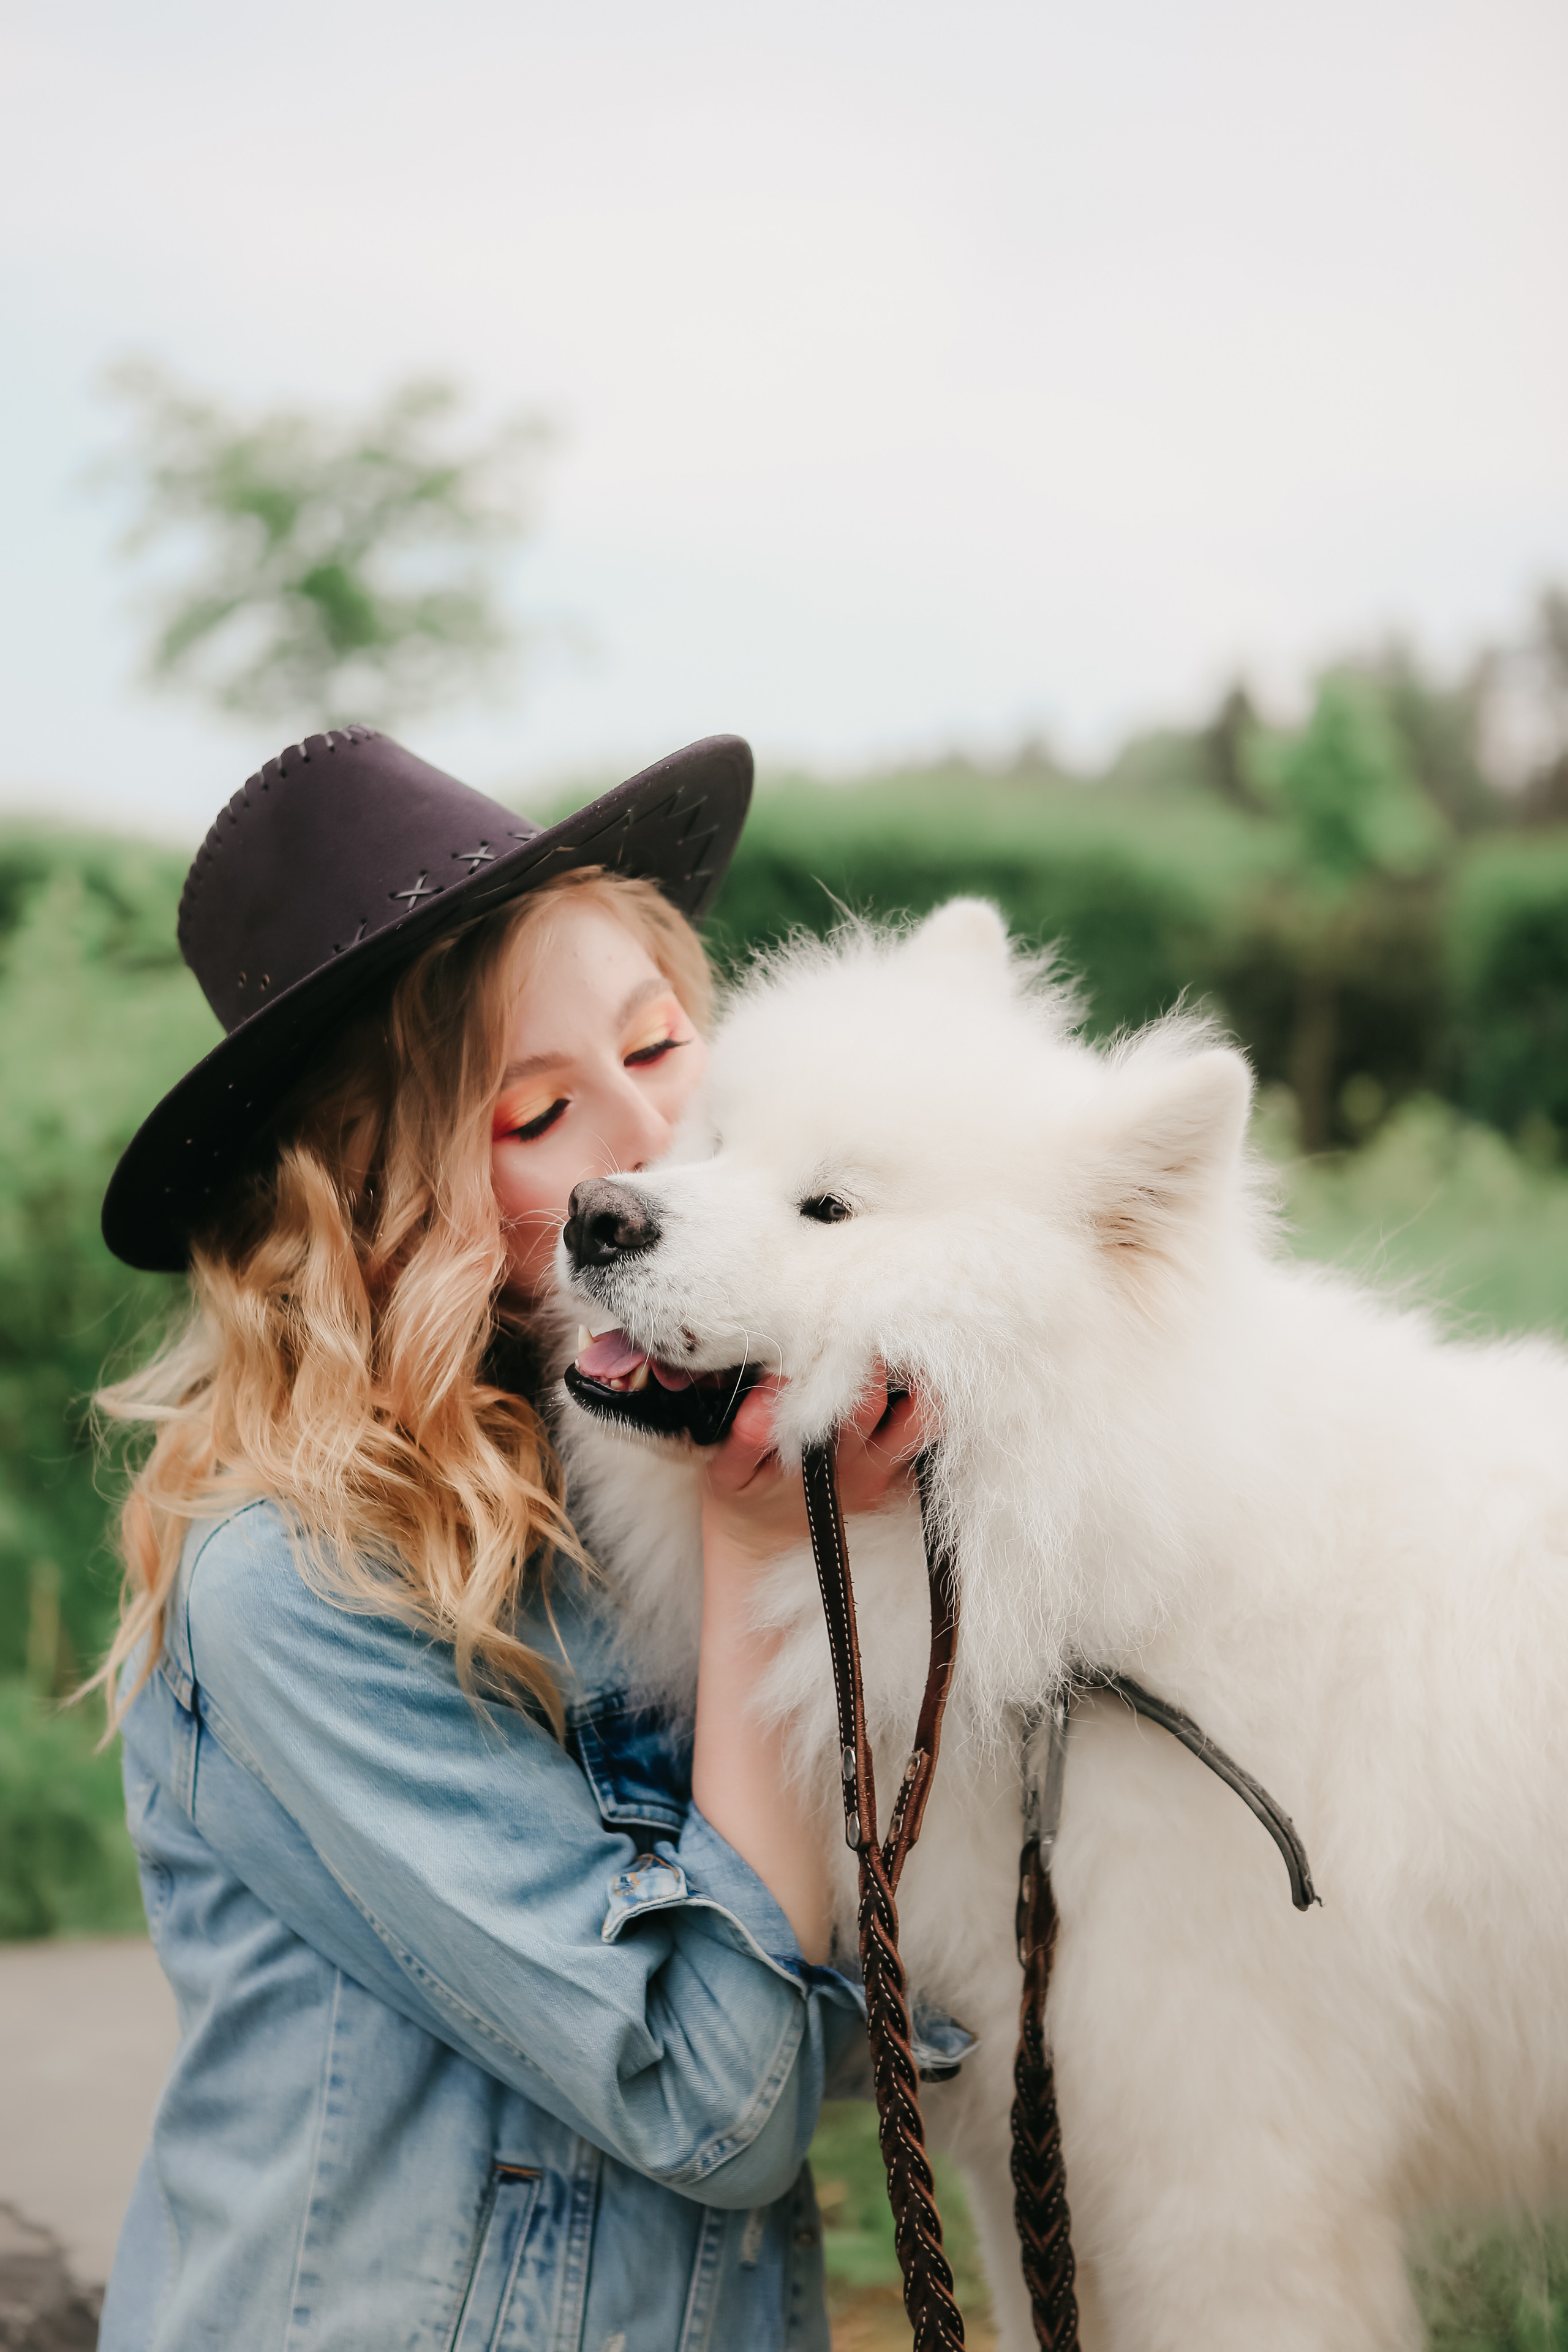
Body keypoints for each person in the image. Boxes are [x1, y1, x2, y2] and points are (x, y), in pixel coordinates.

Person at [92, 728, 930, 2352]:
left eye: (661, 1041)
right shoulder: (297, 1580)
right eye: (539, 1112)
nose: (656, 1136)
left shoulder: (655, 1462)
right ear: (372, 1206)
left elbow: (913, 1990)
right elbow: (722, 2101)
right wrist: (763, 1549)